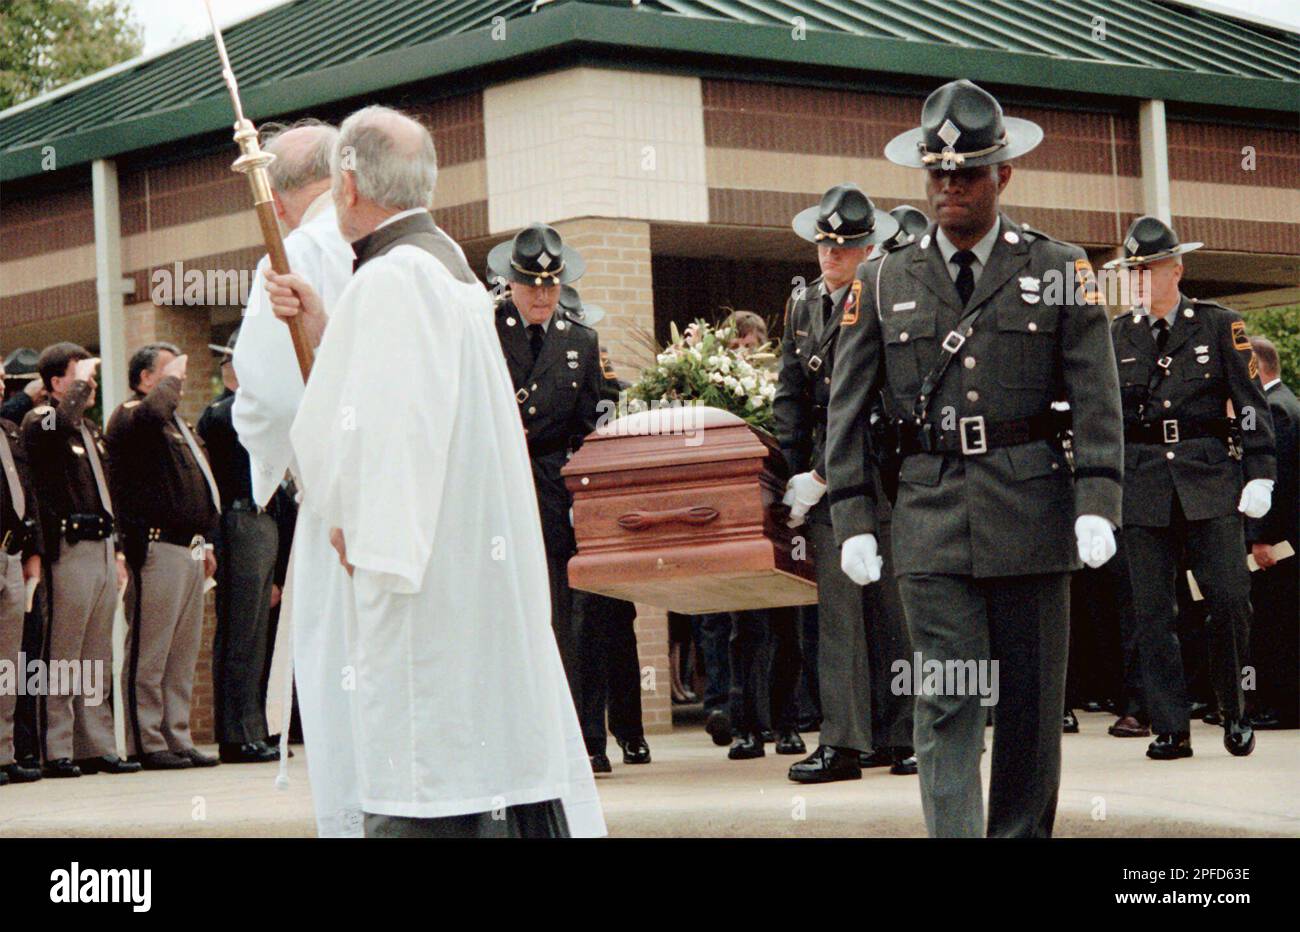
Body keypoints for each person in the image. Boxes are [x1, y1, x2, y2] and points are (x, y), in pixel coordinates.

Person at [265, 104, 605, 837]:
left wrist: (361, 530)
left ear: (349, 183)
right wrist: (329, 327)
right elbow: (404, 391)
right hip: (464, 567)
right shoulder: (436, 263)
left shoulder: (395, 281)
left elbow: (396, 431)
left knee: (429, 770)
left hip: (420, 584)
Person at [827, 79, 1124, 838]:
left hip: (1032, 511)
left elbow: (1097, 396)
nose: (950, 188)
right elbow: (849, 410)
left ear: (1004, 175)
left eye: (967, 174)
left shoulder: (1059, 268)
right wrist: (853, 515)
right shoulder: (883, 277)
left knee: (1029, 706)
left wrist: (1099, 499)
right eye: (938, 175)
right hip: (929, 515)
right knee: (949, 695)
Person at [1104, 215, 1275, 759]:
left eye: (1148, 268)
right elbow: (1105, 420)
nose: (1139, 278)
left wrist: (1261, 472)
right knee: (1153, 613)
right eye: (1131, 270)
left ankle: (1234, 708)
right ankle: (1170, 724)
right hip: (1144, 486)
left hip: (1207, 478)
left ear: (1176, 268)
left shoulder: (1220, 325)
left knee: (1228, 599)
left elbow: (1252, 404)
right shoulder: (1117, 335)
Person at [231, 119, 360, 836]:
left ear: (275, 203)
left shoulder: (296, 252)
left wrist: (276, 465)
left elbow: (271, 396)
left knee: (341, 670)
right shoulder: (390, 244)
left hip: (338, 501)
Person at [775, 184, 914, 784]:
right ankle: (845, 742)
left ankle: (904, 735)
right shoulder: (802, 307)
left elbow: (880, 401)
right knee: (839, 620)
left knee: (896, 614)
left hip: (883, 475)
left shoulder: (889, 298)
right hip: (825, 483)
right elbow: (791, 396)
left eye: (845, 247)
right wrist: (792, 474)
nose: (832, 257)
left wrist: (823, 474)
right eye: (825, 246)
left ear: (869, 248)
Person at [486, 223, 602, 696]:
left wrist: (581, 493)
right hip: (496, 483)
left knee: (558, 613)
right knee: (498, 608)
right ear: (511, 283)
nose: (542, 294)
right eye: (532, 284)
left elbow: (589, 425)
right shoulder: (485, 330)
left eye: (551, 284)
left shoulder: (580, 342)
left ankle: (566, 729)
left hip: (551, 490)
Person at [21, 345, 135, 778]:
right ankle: (58, 747)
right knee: (65, 651)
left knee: (96, 653)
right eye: (79, 375)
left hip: (103, 546)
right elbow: (53, 427)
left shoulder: (87, 430)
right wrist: (81, 386)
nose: (89, 384)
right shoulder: (43, 420)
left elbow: (110, 495)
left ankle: (96, 744)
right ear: (55, 383)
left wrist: (120, 550)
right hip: (69, 547)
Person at [106, 344, 221, 770]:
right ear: (144, 379)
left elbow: (195, 490)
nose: (180, 379)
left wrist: (205, 543)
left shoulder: (178, 426)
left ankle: (177, 735)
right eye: (167, 372)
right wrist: (172, 380)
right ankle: (146, 741)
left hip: (187, 545)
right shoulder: (132, 415)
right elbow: (153, 413)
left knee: (182, 650)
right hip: (155, 547)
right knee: (151, 649)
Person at [567, 288, 651, 774]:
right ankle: (591, 739)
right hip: (565, 496)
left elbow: (608, 413)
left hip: (600, 497)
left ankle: (630, 731)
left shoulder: (593, 357)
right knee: (581, 628)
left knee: (617, 625)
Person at [198, 330, 280, 764]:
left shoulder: (252, 409)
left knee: (255, 636)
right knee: (239, 635)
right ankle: (236, 732)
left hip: (262, 518)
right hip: (239, 519)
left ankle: (253, 725)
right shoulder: (224, 412)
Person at [1243, 337, 1296, 729]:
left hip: (1280, 540)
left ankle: (1280, 706)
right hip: (1287, 536)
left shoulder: (1274, 409)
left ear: (1258, 368)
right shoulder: (1288, 402)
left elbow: (1277, 478)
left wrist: (1261, 535)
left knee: (1275, 624)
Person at [0, 353, 44, 786]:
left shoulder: (9, 431)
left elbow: (24, 496)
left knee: (8, 664)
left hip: (10, 555)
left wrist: (31, 550)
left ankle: (4, 752)